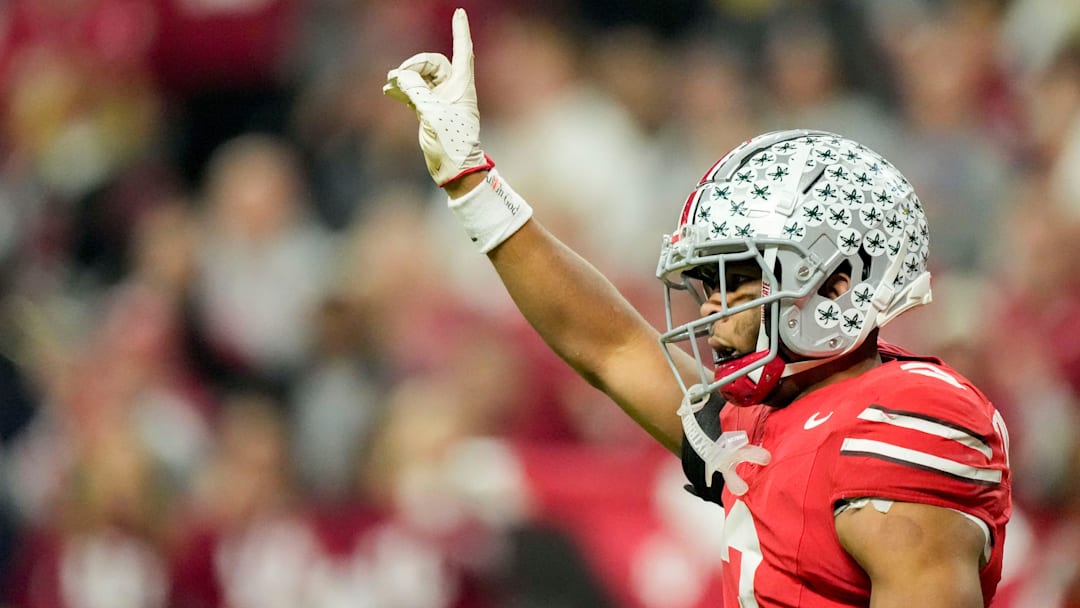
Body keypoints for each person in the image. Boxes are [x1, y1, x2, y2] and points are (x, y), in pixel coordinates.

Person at [382, 9, 1012, 607]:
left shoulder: (901, 421)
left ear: (838, 283)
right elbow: (611, 347)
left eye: (739, 280)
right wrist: (472, 184)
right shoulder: (768, 420)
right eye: (709, 284)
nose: (713, 307)